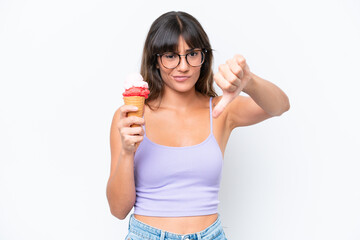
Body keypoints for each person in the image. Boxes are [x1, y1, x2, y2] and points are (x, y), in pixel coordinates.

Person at [106, 11, 290, 240]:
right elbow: (118, 210)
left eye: (192, 54)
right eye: (171, 56)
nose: (183, 66)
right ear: (155, 60)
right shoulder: (132, 116)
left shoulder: (222, 110)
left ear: (203, 57)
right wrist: (126, 151)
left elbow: (281, 106)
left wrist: (249, 81)